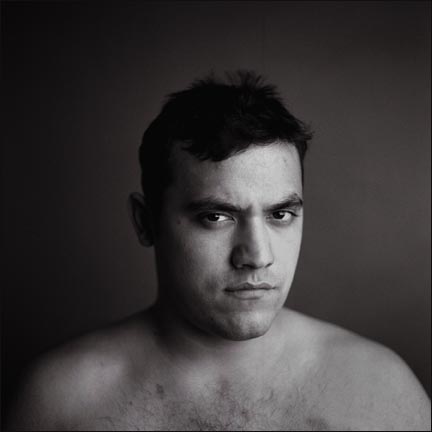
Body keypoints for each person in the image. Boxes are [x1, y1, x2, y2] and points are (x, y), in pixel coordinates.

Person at [7, 71, 430, 431]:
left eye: (280, 214)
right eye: (216, 216)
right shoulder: (63, 403)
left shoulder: (380, 389)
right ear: (145, 221)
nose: (257, 256)